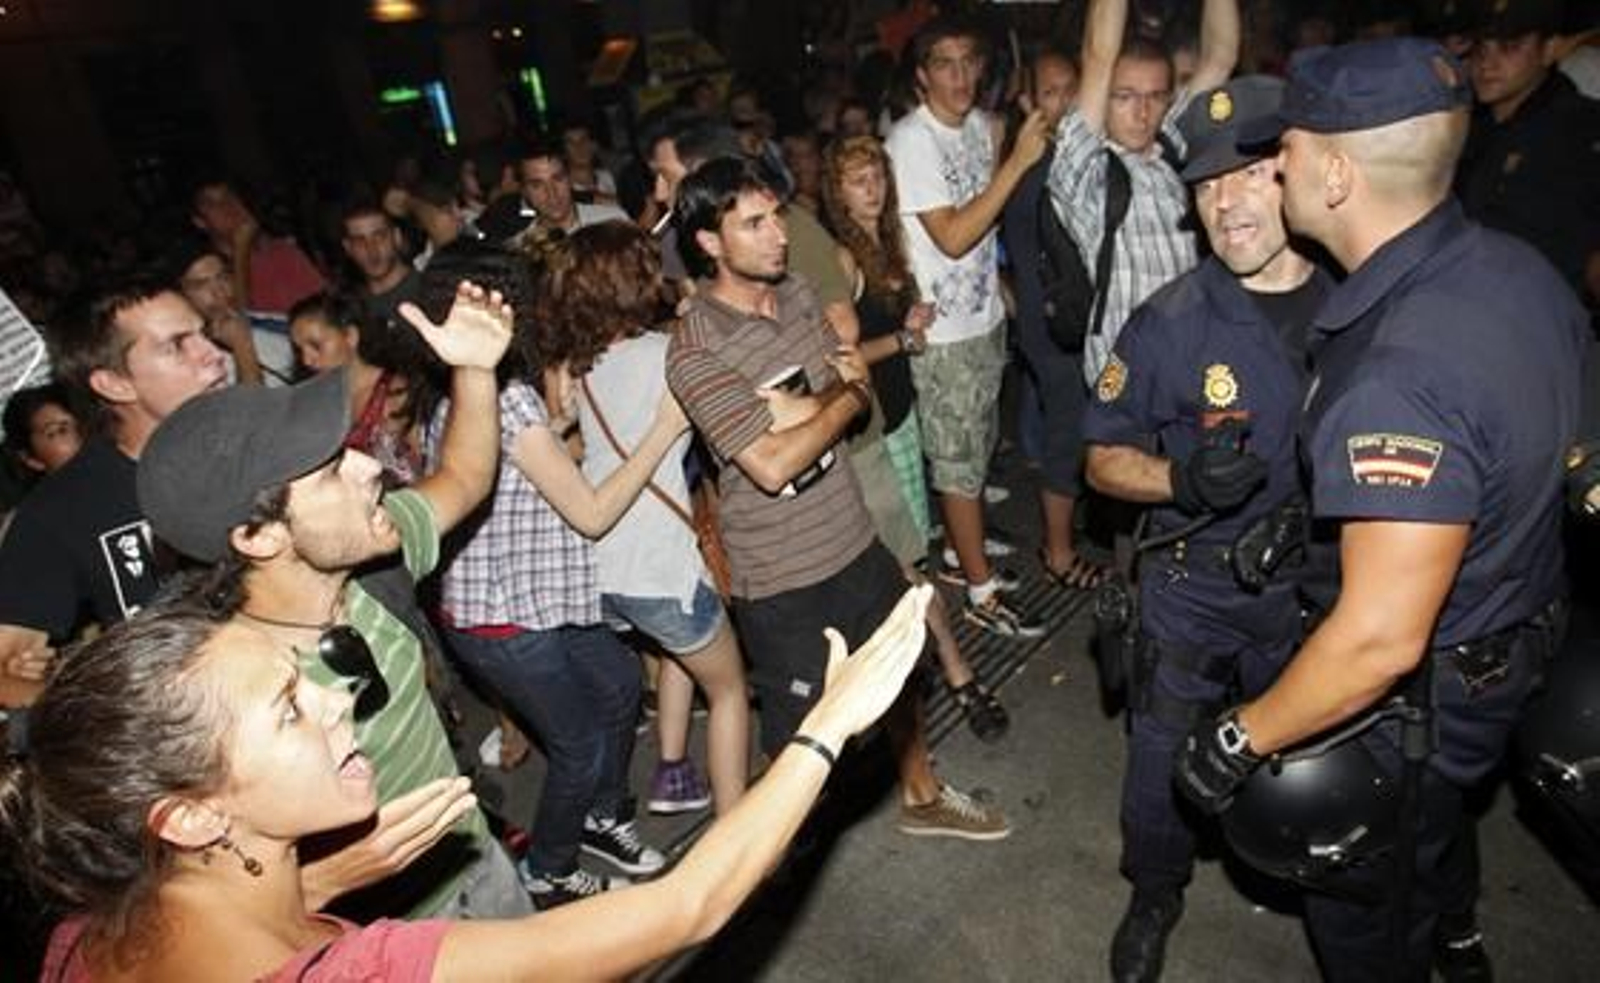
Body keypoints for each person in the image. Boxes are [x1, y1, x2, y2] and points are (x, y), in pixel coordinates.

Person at [1174, 37, 1587, 981]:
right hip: (1518, 631)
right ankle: (1458, 930)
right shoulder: (1516, 270)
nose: (1272, 168)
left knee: (1364, 915)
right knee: (1437, 837)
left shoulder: (1399, 369)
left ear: (1337, 174)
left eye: (1290, 150)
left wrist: (1238, 737)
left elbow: (1378, 641)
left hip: (1432, 694)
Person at [1, 579, 935, 981]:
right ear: (196, 816)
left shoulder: (91, 930)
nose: (335, 703)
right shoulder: (362, 971)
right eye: (289, 711)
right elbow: (684, 908)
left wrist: (318, 879)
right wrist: (825, 727)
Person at [137, 281, 531, 920]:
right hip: (386, 935)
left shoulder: (365, 553)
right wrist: (318, 885)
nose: (368, 468)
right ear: (259, 536)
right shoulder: (226, 694)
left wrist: (475, 370)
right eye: (327, 471)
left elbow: (462, 477)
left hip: (478, 862)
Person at [667, 156, 1009, 840]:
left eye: (778, 218)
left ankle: (922, 793)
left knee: (904, 673)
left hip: (853, 538)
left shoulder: (795, 293)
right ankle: (760, 866)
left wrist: (803, 405)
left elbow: (850, 381)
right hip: (784, 576)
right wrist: (829, 403)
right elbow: (768, 465)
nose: (779, 236)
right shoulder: (694, 346)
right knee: (801, 748)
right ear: (708, 242)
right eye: (754, 224)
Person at [1082, 75, 1332, 983]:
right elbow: (1100, 457)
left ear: (1295, 172)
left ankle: (1301, 865)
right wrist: (1179, 476)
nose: (1226, 201)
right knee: (1162, 761)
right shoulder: (1171, 322)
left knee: (1302, 751)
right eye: (1206, 183)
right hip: (1195, 584)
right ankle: (1155, 890)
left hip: (1317, 588)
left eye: (1251, 171)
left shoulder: (1360, 298)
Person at [413, 246, 680, 909]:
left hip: (538, 593)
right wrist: (663, 430)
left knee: (620, 685)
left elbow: (524, 464)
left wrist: (559, 426)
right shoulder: (510, 401)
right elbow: (591, 514)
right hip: (503, 615)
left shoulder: (465, 394)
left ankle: (601, 813)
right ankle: (551, 865)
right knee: (580, 740)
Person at [536, 220, 751, 815]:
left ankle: (673, 772)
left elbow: (579, 449)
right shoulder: (668, 355)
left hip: (605, 577)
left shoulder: (577, 366)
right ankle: (738, 842)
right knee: (729, 688)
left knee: (679, 651)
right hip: (660, 566)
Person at [822, 134, 1010, 742]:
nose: (871, 187)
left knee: (908, 557)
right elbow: (838, 358)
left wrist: (908, 324)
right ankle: (951, 678)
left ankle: (917, 685)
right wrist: (901, 341)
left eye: (876, 173)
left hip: (899, 413)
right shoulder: (842, 259)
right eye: (857, 178)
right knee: (906, 563)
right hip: (870, 427)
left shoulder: (884, 242)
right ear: (837, 190)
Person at [883, 13, 1054, 637]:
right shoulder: (911, 141)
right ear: (922, 76)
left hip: (982, 316)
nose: (959, 75)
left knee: (976, 452)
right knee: (956, 465)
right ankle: (982, 594)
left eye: (968, 61)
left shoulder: (981, 127)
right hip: (943, 333)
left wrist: (1002, 285)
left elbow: (989, 226)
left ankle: (960, 553)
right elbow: (952, 236)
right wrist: (1016, 164)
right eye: (944, 64)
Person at [0, 284, 230, 705]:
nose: (212, 353)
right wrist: (123, 718)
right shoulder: (66, 508)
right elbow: (5, 671)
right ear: (115, 384)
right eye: (177, 345)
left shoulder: (270, 434)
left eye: (203, 333)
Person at [1046, 0, 1240, 389]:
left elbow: (1220, 58)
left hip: (1191, 359)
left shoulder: (1171, 146)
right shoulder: (1087, 171)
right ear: (1104, 99)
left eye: (1155, 96)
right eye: (1124, 96)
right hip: (1125, 374)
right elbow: (1099, 55)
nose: (1142, 112)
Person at [1000, 46, 1105, 591]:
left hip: (1076, 318)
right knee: (1067, 431)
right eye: (1050, 91)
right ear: (1026, 99)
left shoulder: (1072, 153)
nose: (1064, 102)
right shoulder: (1031, 163)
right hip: (1053, 327)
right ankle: (1058, 553)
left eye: (1073, 88)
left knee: (1085, 423)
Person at [1456, 0, 1600, 308]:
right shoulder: (1467, 122)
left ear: (1549, 50)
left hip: (1535, 317)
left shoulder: (1578, 131)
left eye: (1509, 47)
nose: (1487, 63)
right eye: (1481, 48)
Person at [287, 291, 424, 486]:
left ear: (351, 336)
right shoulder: (317, 403)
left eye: (316, 346)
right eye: (299, 350)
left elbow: (423, 468)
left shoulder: (395, 392)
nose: (306, 360)